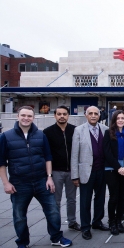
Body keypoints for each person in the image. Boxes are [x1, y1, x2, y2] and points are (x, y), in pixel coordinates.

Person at [0, 106, 72, 248]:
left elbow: (48, 157)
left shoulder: (41, 135)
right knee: (19, 216)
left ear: (34, 118)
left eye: (29, 116)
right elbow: (1, 162)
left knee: (52, 210)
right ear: (17, 116)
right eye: (23, 115)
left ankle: (56, 237)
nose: (26, 118)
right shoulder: (6, 136)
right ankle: (22, 242)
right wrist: (6, 183)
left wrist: (49, 177)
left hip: (41, 181)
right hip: (20, 183)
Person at [71, 106, 110, 240]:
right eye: (90, 113)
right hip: (86, 172)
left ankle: (97, 222)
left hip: (101, 171)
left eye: (96, 114)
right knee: (85, 201)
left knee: (100, 199)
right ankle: (85, 227)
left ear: (99, 115)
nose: (93, 116)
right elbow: (74, 154)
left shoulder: (105, 130)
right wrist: (75, 175)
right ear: (86, 115)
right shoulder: (78, 130)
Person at [43, 105, 81, 231]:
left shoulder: (75, 130)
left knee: (71, 199)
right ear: (55, 116)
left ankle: (72, 221)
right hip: (56, 171)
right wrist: (48, 175)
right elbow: (45, 153)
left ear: (68, 115)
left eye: (64, 114)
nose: (62, 116)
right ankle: (56, 224)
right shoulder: (47, 132)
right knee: (56, 201)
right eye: (59, 114)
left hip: (72, 171)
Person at [103, 110, 124, 235]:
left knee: (123, 196)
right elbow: (107, 153)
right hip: (112, 169)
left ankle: (119, 220)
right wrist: (118, 168)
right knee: (114, 196)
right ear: (114, 120)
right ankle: (112, 222)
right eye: (118, 118)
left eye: (122, 118)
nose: (120, 120)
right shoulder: (108, 133)